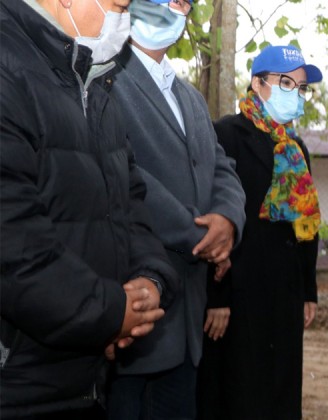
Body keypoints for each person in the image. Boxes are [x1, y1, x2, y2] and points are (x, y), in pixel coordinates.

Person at [0, 0, 178, 417]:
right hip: (16, 391)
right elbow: (11, 245)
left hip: (86, 382)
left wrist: (150, 284)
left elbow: (133, 208)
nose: (125, 18)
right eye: (119, 4)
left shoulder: (95, 83)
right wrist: (114, 312)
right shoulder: (7, 68)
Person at [104, 0, 247, 418]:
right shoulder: (106, 77)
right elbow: (126, 175)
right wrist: (201, 236)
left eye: (185, 1)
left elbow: (222, 167)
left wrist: (228, 221)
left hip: (187, 322)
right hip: (135, 310)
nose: (177, 7)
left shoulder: (189, 96)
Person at [207, 44, 322, 419]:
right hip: (240, 293)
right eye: (286, 82)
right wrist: (217, 295)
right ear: (258, 83)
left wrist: (308, 291)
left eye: (301, 87)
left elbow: (305, 227)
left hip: (285, 293)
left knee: (282, 392)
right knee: (240, 393)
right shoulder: (226, 134)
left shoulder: (294, 147)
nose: (296, 93)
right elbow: (212, 219)